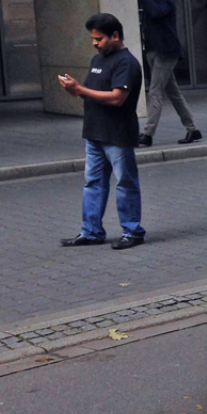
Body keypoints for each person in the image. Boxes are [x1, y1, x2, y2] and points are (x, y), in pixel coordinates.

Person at [57, 13, 147, 250]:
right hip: (95, 133)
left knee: (125, 183)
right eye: (93, 39)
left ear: (115, 36)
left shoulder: (126, 63)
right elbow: (90, 92)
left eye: (99, 39)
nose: (95, 43)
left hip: (118, 134)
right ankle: (91, 231)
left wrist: (81, 90)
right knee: (93, 183)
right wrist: (74, 90)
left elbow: (118, 98)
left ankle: (132, 231)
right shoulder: (98, 60)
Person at [134, 0, 200, 147]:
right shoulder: (146, 0)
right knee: (174, 93)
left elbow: (157, 13)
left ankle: (147, 134)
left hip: (166, 53)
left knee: (154, 92)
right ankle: (192, 129)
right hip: (153, 52)